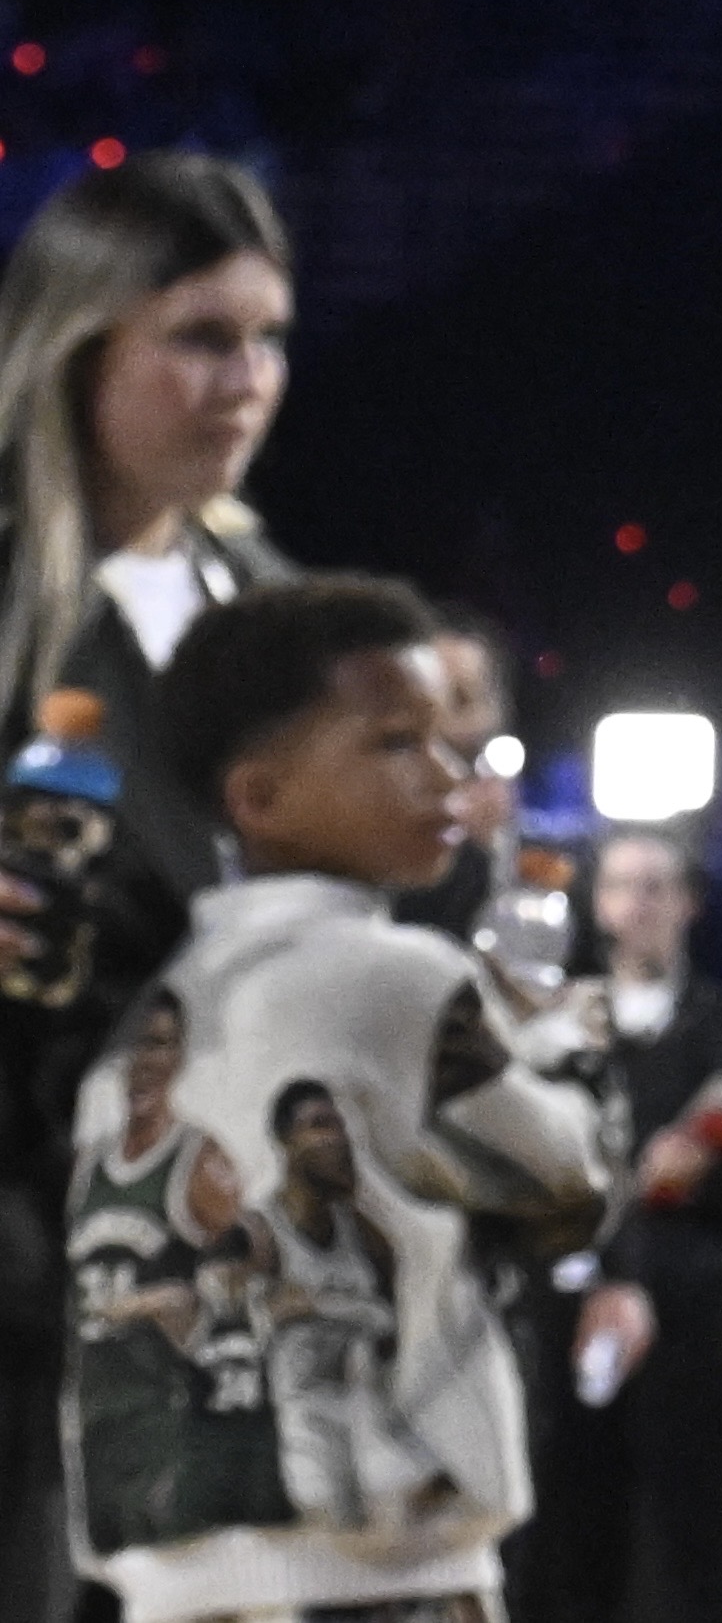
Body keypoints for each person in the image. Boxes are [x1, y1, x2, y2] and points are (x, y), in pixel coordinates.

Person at [78, 573, 607, 1623]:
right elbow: (570, 1188)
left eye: (445, 739)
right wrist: (563, 1047)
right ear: (259, 796)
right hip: (384, 1567)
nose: (445, 772)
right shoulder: (404, 978)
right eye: (395, 742)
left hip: (170, 1571)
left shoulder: (144, 1013)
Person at [0, 158, 298, 1623]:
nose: (246, 382)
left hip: (232, 1263)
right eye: (200, 337)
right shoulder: (18, 594)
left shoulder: (278, 608)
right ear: (78, 347)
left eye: (268, 338)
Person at [517, 830, 722, 1623]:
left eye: (656, 886)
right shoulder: (556, 1029)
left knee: (691, 1534)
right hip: (570, 1303)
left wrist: (707, 1171)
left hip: (690, 1310)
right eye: (622, 886)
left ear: (688, 903)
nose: (638, 904)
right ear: (597, 903)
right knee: (569, 1526)